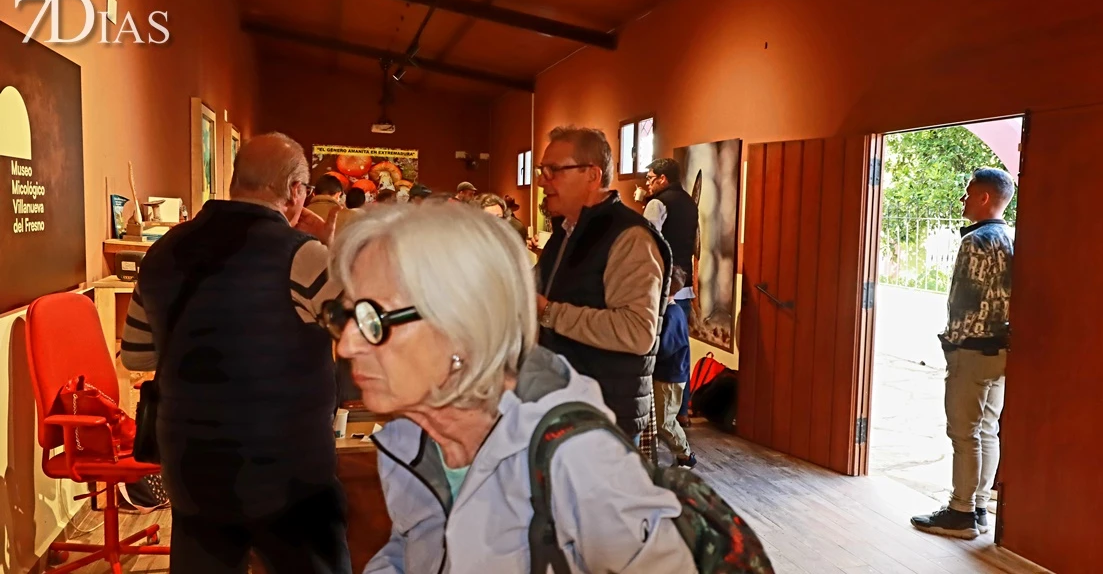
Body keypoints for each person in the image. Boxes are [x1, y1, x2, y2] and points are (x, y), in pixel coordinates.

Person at [321, 201, 695, 573]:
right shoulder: (411, 440)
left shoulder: (577, 458)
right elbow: (415, 551)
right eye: (346, 315)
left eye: (373, 319)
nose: (347, 345)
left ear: (463, 328)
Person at [121, 133, 351, 573]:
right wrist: (336, 250)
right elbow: (360, 332)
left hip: (192, 467)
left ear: (233, 181)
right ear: (296, 191)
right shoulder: (304, 256)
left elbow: (136, 355)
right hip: (291, 471)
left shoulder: (163, 251)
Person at [535, 126, 671, 443]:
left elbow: (637, 331)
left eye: (553, 170)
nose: (543, 180)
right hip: (564, 407)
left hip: (604, 419)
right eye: (543, 170)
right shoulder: (566, 233)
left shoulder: (630, 237)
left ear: (592, 175)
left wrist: (548, 312)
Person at [911, 167, 1016, 540]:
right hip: (1002, 351)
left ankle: (960, 512)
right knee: (988, 429)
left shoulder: (976, 242)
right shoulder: (1011, 237)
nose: (963, 198)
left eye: (969, 191)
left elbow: (964, 302)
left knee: (963, 433)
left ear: (985, 198)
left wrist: (951, 343)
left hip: (971, 350)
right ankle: (980, 508)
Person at [643, 158, 699, 427]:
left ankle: (654, 412)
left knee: (654, 347)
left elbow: (648, 243)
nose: (648, 183)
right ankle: (682, 412)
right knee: (681, 350)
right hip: (684, 283)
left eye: (650, 178)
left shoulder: (657, 203)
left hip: (662, 286)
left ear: (662, 179)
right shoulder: (689, 202)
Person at [654, 266, 696, 468]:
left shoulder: (671, 315)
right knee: (658, 418)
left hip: (669, 377)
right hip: (667, 374)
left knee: (665, 421)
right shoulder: (673, 311)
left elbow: (665, 348)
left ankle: (686, 455)